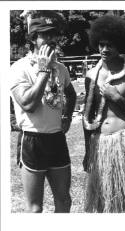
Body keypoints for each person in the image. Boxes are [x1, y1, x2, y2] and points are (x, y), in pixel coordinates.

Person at [10, 11, 77, 213]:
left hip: (56, 139)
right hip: (32, 140)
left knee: (64, 201)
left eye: (53, 34)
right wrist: (43, 70)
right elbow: (28, 104)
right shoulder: (19, 68)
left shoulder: (61, 69)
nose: (51, 39)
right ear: (33, 38)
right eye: (44, 35)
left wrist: (66, 118)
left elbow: (71, 94)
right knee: (35, 209)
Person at [82, 15, 125, 213]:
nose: (104, 50)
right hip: (99, 144)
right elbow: (88, 115)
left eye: (109, 45)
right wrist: (87, 151)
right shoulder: (91, 75)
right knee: (103, 200)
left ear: (120, 44)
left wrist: (119, 99)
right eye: (101, 44)